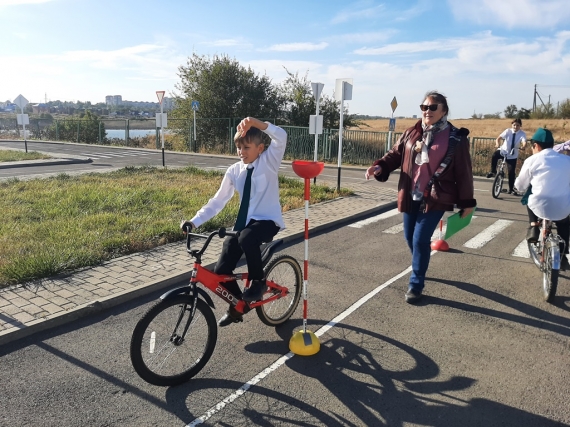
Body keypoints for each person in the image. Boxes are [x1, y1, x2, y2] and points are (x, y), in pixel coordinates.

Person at [365, 91, 476, 304]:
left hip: (436, 196)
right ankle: (420, 263)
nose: (427, 111)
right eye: (424, 107)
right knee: (410, 238)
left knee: (420, 239)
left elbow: (464, 171)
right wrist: (380, 166)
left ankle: (416, 284)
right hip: (410, 193)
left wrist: (467, 202)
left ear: (443, 111)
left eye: (433, 107)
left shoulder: (455, 138)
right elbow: (395, 154)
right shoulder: (412, 132)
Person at [180, 117, 286, 326]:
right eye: (238, 147)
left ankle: (259, 282)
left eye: (246, 147)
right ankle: (238, 306)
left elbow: (281, 136)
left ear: (260, 148)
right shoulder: (234, 171)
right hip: (245, 225)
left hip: (267, 221)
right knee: (221, 270)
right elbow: (217, 202)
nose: (241, 152)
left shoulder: (269, 161)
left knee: (247, 237)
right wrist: (193, 222)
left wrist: (255, 123)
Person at [514, 128, 570, 270]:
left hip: (539, 205)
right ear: (552, 145)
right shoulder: (567, 160)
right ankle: (563, 255)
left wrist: (519, 189)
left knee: (529, 196)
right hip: (563, 206)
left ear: (536, 145)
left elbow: (520, 186)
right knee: (564, 224)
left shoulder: (531, 160)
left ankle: (533, 226)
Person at [486, 118, 527, 194]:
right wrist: (497, 144)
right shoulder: (507, 131)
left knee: (511, 172)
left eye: (517, 125)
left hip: (512, 155)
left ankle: (511, 189)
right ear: (512, 125)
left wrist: (523, 146)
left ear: (520, 126)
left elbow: (524, 141)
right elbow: (498, 138)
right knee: (495, 155)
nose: (515, 127)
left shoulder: (522, 134)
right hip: (503, 151)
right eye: (514, 125)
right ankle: (493, 171)